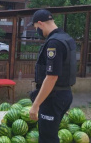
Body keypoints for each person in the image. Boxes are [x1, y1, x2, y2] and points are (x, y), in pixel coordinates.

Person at [29, 9, 76, 143]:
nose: (37, 31)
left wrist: (36, 105)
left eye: (36, 28)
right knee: (51, 135)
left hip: (53, 98)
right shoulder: (66, 38)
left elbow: (51, 77)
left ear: (40, 23)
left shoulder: (54, 43)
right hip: (65, 94)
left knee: (47, 138)